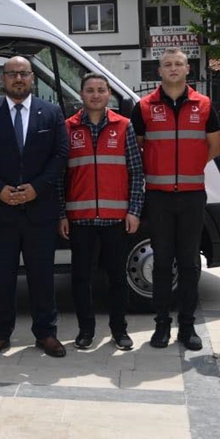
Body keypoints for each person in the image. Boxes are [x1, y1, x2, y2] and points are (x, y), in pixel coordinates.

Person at [0, 55, 69, 358]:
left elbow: (60, 155)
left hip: (40, 210)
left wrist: (37, 188)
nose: (18, 79)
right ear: (3, 79)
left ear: (33, 78)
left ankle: (46, 334)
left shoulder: (50, 113)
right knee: (1, 277)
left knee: (42, 276)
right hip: (1, 211)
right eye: (12, 74)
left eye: (24, 73)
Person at [131, 47, 220, 351]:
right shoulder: (143, 107)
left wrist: (194, 166)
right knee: (161, 264)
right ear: (159, 71)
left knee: (189, 263)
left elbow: (215, 145)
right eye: (167, 64)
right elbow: (139, 149)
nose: (173, 68)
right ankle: (160, 326)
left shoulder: (204, 105)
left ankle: (187, 326)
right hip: (158, 197)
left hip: (193, 197)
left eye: (178, 64)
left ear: (187, 69)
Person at [59, 73, 145, 351]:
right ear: (81, 94)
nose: (95, 95)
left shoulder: (124, 126)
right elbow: (60, 177)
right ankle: (86, 331)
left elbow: (136, 172)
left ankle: (119, 330)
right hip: (80, 220)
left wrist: (134, 210)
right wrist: (62, 214)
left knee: (117, 278)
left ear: (109, 95)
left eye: (101, 90)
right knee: (81, 277)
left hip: (116, 219)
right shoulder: (68, 128)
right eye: (90, 90)